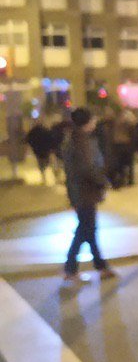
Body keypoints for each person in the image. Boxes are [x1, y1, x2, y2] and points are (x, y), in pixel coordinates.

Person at [61, 108, 115, 282]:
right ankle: (71, 268)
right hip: (85, 192)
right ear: (87, 122)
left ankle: (99, 266)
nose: (94, 122)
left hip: (80, 191)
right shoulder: (82, 141)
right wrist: (103, 181)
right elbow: (88, 168)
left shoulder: (74, 139)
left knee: (88, 230)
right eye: (93, 119)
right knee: (85, 230)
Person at [25, 117, 57, 185]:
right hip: (46, 150)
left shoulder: (32, 132)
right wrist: (52, 148)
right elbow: (51, 139)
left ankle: (44, 178)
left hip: (38, 151)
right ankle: (55, 176)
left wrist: (33, 146)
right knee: (49, 163)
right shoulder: (45, 130)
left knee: (41, 165)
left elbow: (27, 139)